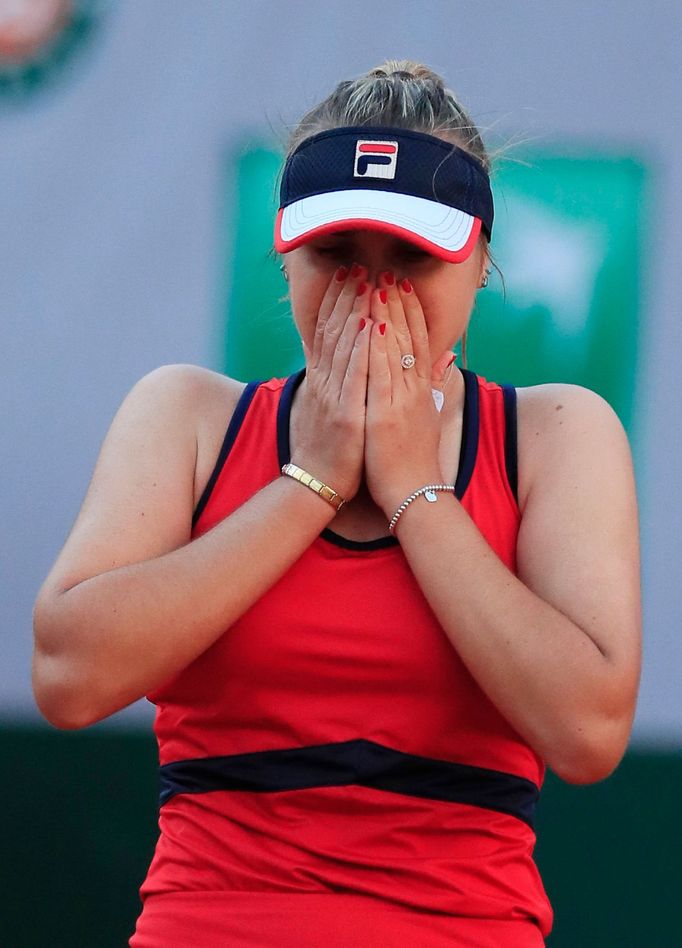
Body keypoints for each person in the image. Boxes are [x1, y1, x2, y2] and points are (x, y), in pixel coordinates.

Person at [32, 60, 641, 947]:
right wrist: (308, 481)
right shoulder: (190, 415)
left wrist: (413, 490)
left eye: (414, 258)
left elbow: (587, 732)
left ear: (480, 268)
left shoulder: (552, 434)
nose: (372, 295)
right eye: (338, 256)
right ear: (287, 261)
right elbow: (69, 678)